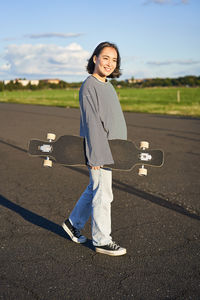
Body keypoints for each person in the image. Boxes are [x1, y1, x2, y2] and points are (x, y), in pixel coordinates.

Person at [62, 41, 127, 256]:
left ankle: (73, 224)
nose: (109, 63)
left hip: (111, 150)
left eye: (114, 60)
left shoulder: (107, 85)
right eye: (106, 58)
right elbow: (92, 123)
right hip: (100, 151)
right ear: (95, 58)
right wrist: (97, 154)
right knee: (103, 194)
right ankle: (102, 240)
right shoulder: (90, 85)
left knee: (95, 189)